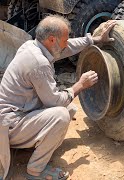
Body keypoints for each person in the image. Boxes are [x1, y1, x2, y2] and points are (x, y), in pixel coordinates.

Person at [0, 15, 116, 179]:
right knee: (61, 115)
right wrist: (80, 85)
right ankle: (35, 170)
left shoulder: (32, 46)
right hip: (10, 125)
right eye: (65, 40)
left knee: (68, 109)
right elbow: (55, 101)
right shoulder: (38, 63)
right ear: (52, 40)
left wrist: (94, 39)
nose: (67, 43)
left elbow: (67, 48)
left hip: (17, 113)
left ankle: (31, 143)